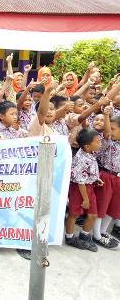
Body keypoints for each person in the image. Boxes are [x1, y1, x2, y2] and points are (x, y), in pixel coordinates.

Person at [64, 128, 102, 252]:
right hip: (79, 189)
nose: (99, 143)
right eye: (97, 142)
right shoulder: (81, 159)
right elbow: (80, 181)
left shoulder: (90, 153)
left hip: (89, 187)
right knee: (74, 213)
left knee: (93, 214)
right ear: (87, 146)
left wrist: (96, 178)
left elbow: (89, 172)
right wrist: (85, 199)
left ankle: (84, 235)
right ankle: (69, 237)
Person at [93, 108, 120, 249]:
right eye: (112, 128)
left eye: (115, 129)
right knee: (102, 206)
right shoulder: (108, 141)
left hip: (117, 177)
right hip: (105, 175)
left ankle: (103, 231)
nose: (112, 131)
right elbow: (108, 132)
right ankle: (96, 234)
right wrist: (106, 115)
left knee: (113, 206)